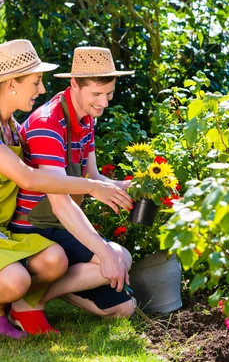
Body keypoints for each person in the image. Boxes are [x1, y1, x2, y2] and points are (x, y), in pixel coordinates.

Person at [0, 40, 132, 339]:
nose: (42, 89)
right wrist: (92, 186)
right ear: (10, 84)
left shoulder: (13, 129)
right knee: (16, 282)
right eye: (35, 81)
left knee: (52, 261)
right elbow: (29, 179)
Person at [8, 46, 136, 333]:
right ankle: (28, 303)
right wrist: (103, 252)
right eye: (96, 94)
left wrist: (128, 187)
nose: (104, 102)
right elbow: (60, 203)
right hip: (34, 227)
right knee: (113, 257)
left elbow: (92, 176)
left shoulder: (86, 119)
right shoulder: (47, 124)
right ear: (75, 84)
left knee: (123, 307)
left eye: (109, 93)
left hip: (62, 224)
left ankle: (40, 294)